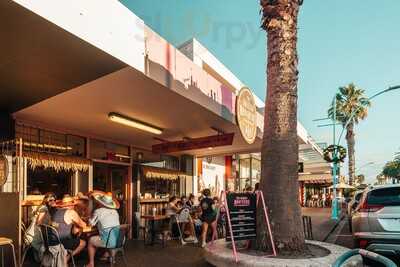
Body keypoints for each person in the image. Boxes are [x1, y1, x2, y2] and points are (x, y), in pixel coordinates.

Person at [86, 192, 120, 267]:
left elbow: (90, 224)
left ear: (101, 202)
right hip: (119, 240)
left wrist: (88, 217)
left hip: (108, 241)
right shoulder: (115, 211)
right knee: (103, 234)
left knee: (91, 240)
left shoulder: (98, 211)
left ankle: (91, 263)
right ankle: (110, 256)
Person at [51, 195, 87, 262]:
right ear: (71, 205)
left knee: (75, 232)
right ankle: (67, 257)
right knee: (83, 243)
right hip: (62, 243)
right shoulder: (71, 212)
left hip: (51, 241)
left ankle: (64, 258)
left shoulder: (56, 211)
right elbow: (83, 225)